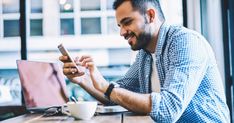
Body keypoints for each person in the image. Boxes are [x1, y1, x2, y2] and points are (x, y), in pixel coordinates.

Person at [59, 0, 230, 122]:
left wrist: (107, 87)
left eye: (127, 22)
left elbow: (168, 109)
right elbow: (117, 96)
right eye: (120, 26)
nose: (122, 33)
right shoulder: (145, 55)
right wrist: (83, 79)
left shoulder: (185, 42)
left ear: (150, 15)